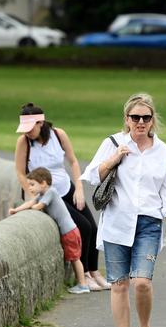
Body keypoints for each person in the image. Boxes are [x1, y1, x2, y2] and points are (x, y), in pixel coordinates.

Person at [80, 93, 166, 327]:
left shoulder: (162, 151)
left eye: (146, 117)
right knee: (119, 284)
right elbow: (92, 176)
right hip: (117, 224)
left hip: (148, 224)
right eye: (135, 117)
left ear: (152, 120)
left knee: (142, 282)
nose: (141, 122)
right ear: (127, 119)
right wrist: (114, 158)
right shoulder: (113, 143)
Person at [14, 103, 109, 291]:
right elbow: (19, 171)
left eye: (30, 128)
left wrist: (79, 189)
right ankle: (84, 277)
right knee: (81, 227)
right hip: (48, 195)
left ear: (40, 122)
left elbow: (73, 161)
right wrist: (32, 193)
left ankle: (94, 272)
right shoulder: (24, 142)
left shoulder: (58, 135)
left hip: (67, 188)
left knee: (93, 227)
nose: (27, 133)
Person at [9, 167, 89, 294]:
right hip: (69, 231)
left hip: (69, 232)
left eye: (32, 185)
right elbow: (30, 203)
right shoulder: (42, 194)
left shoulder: (51, 192)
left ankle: (83, 285)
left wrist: (32, 209)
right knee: (74, 258)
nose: (29, 188)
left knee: (75, 259)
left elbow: (38, 206)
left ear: (43, 183)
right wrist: (16, 210)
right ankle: (82, 283)